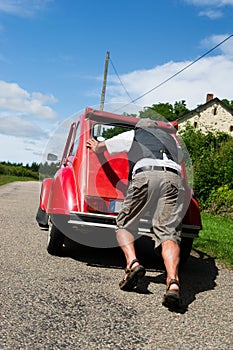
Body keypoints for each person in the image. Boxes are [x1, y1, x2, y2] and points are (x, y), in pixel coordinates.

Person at [87, 118, 186, 308]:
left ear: (140, 128)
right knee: (168, 233)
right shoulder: (172, 140)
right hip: (173, 177)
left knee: (124, 223)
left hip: (146, 174)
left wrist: (95, 144)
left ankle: (132, 264)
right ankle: (173, 282)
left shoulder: (135, 134)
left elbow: (102, 148)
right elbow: (179, 159)